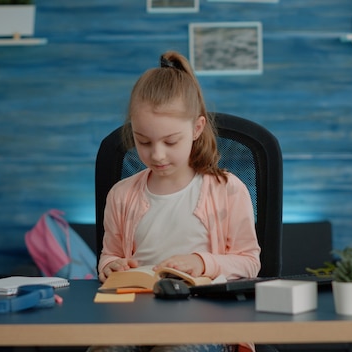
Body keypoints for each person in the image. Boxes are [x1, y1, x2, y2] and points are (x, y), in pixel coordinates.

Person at [89, 51, 261, 352]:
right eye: (143, 141)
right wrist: (111, 266)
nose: (156, 154)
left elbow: (250, 262)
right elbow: (109, 256)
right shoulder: (121, 195)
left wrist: (201, 262)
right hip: (135, 320)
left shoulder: (228, 189)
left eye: (170, 142)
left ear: (196, 129)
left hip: (206, 323)